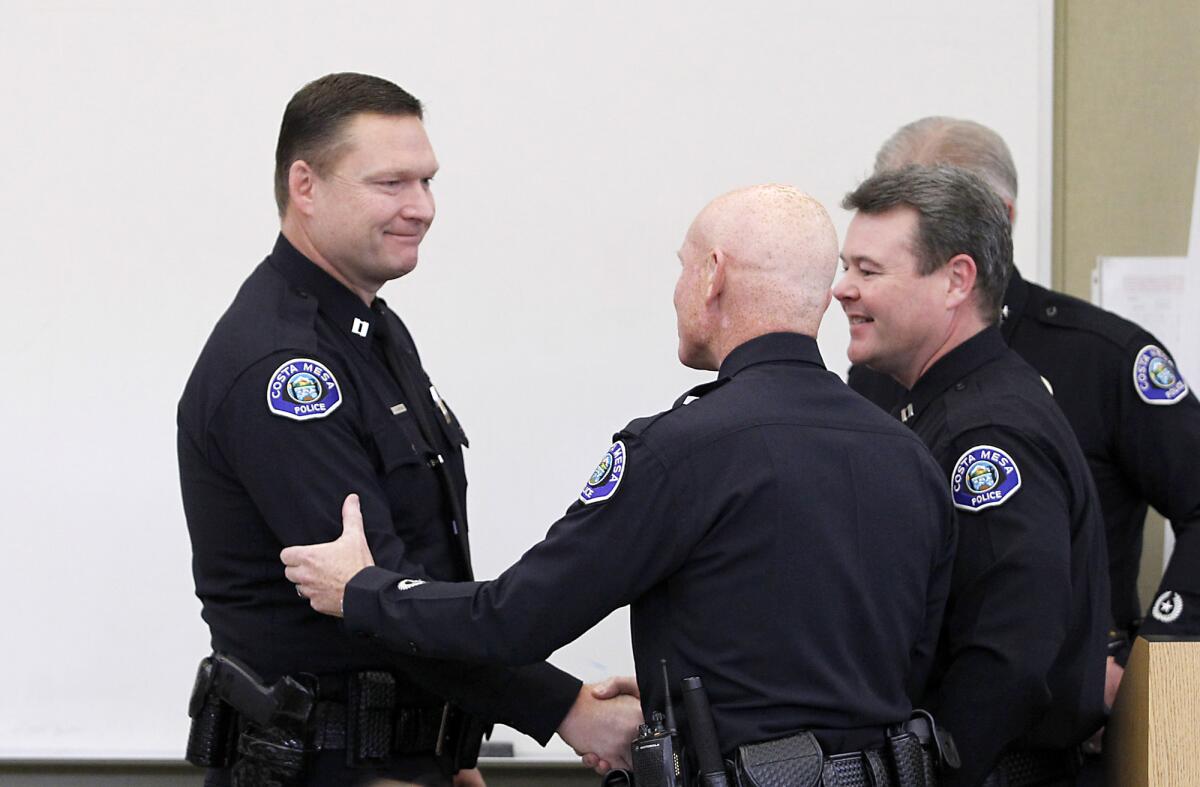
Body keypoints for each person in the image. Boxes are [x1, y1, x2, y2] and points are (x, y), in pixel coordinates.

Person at [283, 184, 960, 782]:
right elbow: (904, 661)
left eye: (682, 267)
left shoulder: (684, 450)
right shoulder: (910, 458)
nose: (676, 289)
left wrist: (363, 591)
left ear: (713, 277)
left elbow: (514, 620)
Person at [177, 72, 640, 787]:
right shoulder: (287, 371)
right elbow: (371, 596)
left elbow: (420, 578)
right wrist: (567, 707)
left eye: (426, 181)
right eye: (391, 183)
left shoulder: (371, 331)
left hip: (398, 762)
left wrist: (447, 752)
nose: (421, 207)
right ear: (306, 185)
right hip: (322, 769)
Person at [847, 118, 1200, 685]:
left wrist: (1153, 662)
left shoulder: (1103, 357)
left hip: (1072, 716)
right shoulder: (874, 371)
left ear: (1001, 219)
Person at [834, 165, 1110, 787]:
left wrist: (932, 777)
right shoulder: (950, 407)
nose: (841, 289)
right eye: (845, 266)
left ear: (957, 280)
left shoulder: (984, 436)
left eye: (868, 271)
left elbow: (1005, 660)